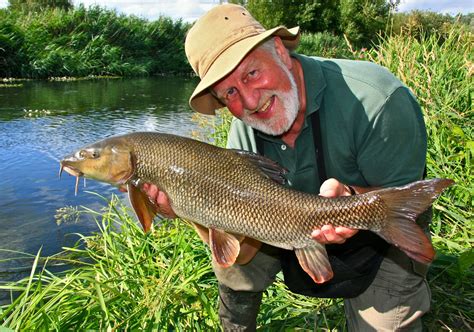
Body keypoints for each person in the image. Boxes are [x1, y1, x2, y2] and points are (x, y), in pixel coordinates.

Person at [142, 4, 431, 331]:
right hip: (285, 222)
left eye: (252, 73)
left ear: (279, 50)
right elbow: (242, 253)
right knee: (228, 261)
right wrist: (188, 205)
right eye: (230, 93)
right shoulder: (243, 134)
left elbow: (400, 193)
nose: (251, 101)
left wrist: (351, 199)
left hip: (379, 237)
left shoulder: (377, 101)